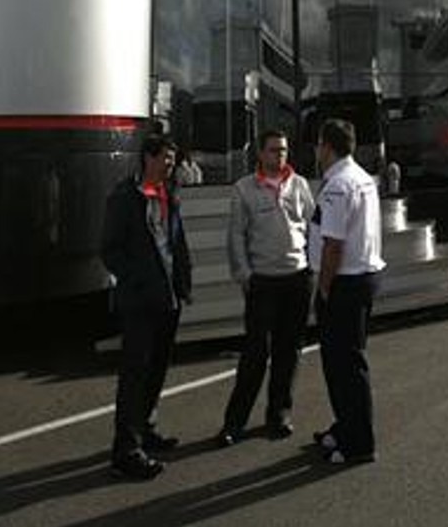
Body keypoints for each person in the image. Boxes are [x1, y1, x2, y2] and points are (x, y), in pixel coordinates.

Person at [102, 132, 193, 480]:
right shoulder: (125, 197)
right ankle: (125, 450)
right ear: (148, 158)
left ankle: (146, 428)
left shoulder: (170, 194)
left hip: (168, 298)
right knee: (134, 375)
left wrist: (183, 281)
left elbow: (176, 240)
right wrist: (138, 281)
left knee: (157, 369)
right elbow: (110, 250)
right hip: (140, 301)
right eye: (165, 159)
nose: (170, 166)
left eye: (173, 160)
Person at [216, 130, 316, 446]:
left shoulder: (299, 185)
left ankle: (279, 415)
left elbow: (314, 227)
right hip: (263, 281)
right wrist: (244, 275)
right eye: (274, 150)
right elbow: (235, 235)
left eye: (284, 150)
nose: (280, 156)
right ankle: (234, 423)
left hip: (297, 279)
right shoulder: (244, 188)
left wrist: (311, 267)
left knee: (289, 351)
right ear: (260, 153)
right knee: (255, 353)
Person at [309, 118, 386, 466]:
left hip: (345, 282)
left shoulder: (338, 185)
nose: (316, 151)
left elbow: (333, 244)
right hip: (360, 277)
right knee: (340, 363)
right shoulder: (361, 178)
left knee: (345, 366)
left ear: (327, 146)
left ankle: (358, 443)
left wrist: (324, 287)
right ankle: (345, 426)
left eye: (318, 144)